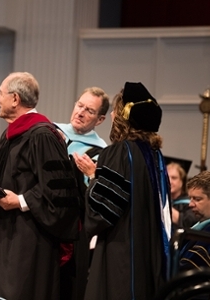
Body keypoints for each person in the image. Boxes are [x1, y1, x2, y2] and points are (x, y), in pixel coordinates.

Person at [0, 72, 80, 300]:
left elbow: (58, 191)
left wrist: (20, 201)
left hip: (30, 239)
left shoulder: (42, 135)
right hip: (6, 234)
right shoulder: (14, 134)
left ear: (15, 99)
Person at [83, 82, 172, 299]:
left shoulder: (118, 153)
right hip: (149, 253)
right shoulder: (156, 156)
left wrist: (93, 176)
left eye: (115, 110)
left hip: (121, 253)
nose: (112, 114)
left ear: (123, 116)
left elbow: (101, 213)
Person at [54, 86, 109, 300]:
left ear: (100, 119)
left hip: (73, 230)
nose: (81, 113)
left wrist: (92, 175)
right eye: (80, 106)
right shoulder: (51, 132)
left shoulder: (101, 153)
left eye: (90, 111)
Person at [179, 171, 210, 271]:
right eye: (190, 198)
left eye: (197, 199)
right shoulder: (199, 228)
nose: (190, 204)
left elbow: (188, 270)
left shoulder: (207, 234)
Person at [167, 162, 197, 229]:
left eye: (174, 178)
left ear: (182, 181)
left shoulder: (190, 202)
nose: (169, 181)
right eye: (166, 177)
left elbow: (189, 222)